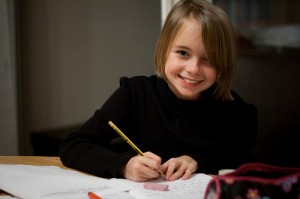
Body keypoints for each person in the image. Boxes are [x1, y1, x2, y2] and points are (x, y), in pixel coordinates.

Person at [60, 0, 257, 182]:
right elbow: (74, 145)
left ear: (224, 63)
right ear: (163, 50)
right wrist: (124, 165)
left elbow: (243, 166)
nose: (194, 68)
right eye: (183, 53)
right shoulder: (135, 93)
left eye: (209, 58)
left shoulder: (236, 112)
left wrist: (197, 161)